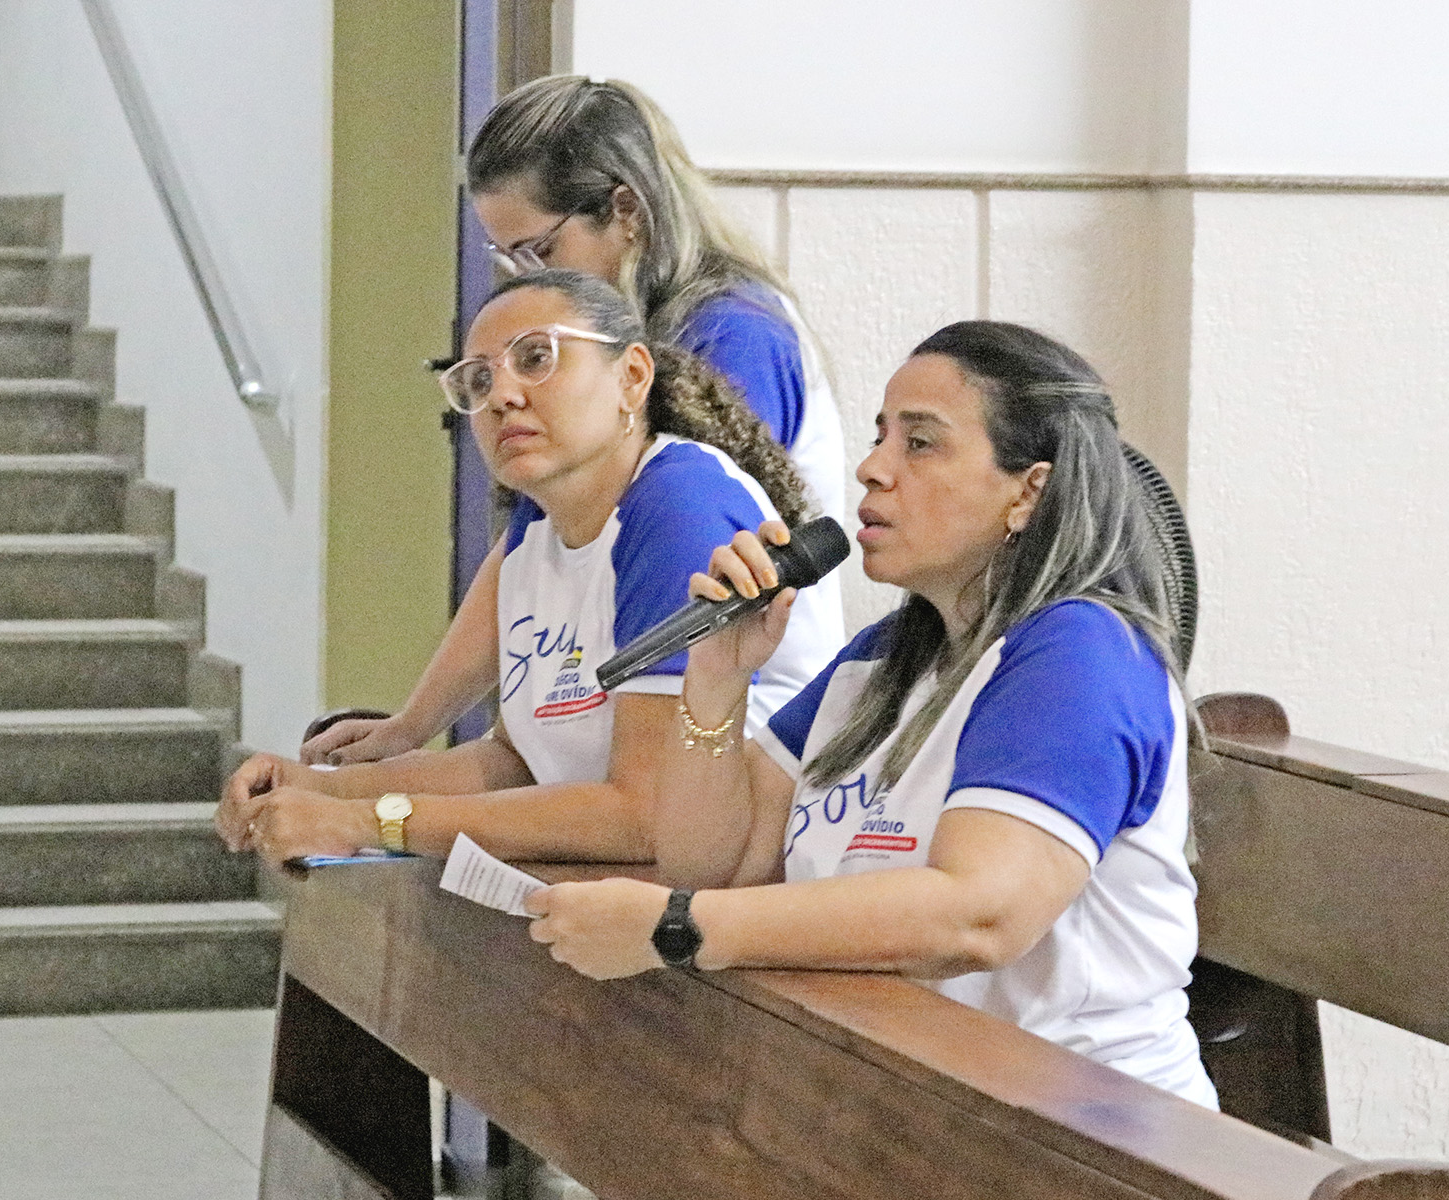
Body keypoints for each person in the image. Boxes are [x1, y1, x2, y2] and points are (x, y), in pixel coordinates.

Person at [521, 320, 1219, 1107]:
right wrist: (716, 679)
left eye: (919, 443)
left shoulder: (1083, 653)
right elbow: (715, 863)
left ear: (1028, 490)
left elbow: (978, 914)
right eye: (881, 436)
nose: (872, 468)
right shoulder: (882, 659)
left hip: (1087, 1125)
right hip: (909, 1095)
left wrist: (680, 928)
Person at [303, 74, 845, 766]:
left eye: (538, 251)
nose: (523, 280)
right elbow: (523, 550)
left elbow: (689, 560)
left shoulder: (734, 337)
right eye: (507, 259)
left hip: (749, 738)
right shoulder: (588, 386)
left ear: (626, 211)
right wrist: (411, 727)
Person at [216, 269, 835, 865]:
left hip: (759, 884)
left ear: (632, 377)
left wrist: (367, 820)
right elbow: (516, 765)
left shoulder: (679, 505)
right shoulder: (537, 525)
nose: (502, 397)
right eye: (479, 380)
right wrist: (316, 786)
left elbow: (644, 816)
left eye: (537, 358)